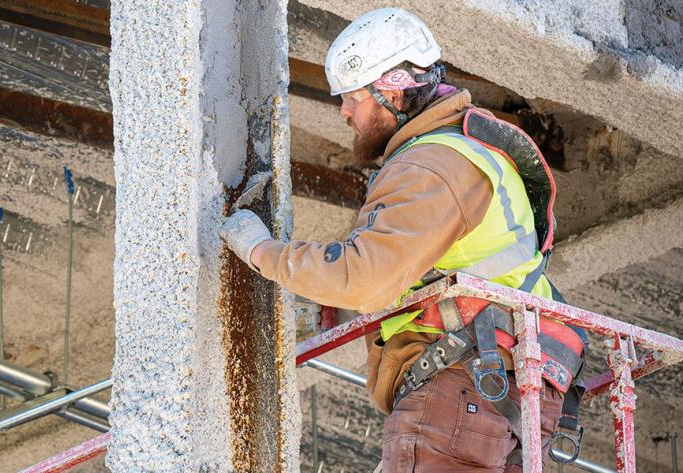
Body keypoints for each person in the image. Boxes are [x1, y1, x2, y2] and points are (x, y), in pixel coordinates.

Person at [219, 7, 585, 473]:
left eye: (352, 97)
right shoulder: (468, 152)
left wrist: (259, 250)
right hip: (503, 389)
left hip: (466, 388)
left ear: (391, 89)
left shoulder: (431, 165)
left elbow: (366, 277)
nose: (345, 111)